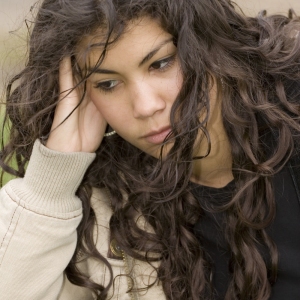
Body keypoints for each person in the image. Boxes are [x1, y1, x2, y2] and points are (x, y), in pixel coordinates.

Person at [0, 0, 300, 299]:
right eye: (107, 84)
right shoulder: (104, 201)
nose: (145, 106)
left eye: (161, 64)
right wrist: (52, 182)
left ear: (208, 43)